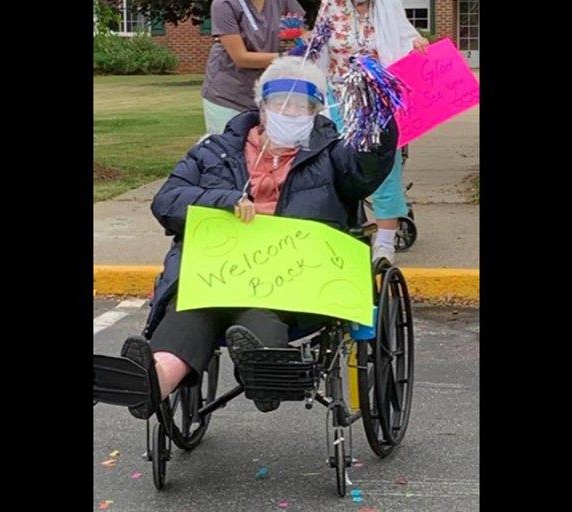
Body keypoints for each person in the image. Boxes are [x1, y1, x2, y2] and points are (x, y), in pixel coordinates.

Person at [118, 56, 399, 416]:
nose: (290, 112)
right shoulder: (215, 150)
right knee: (188, 317)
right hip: (213, 275)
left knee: (260, 315)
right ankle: (152, 382)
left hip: (291, 278)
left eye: (301, 106)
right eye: (281, 104)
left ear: (316, 111)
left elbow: (369, 164)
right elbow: (167, 201)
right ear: (262, 107)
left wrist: (380, 120)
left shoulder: (333, 155)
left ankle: (264, 373)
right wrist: (224, 201)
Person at [310, 0, 429, 263]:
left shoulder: (388, 6)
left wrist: (416, 43)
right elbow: (316, 50)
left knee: (386, 170)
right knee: (340, 168)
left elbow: (404, 37)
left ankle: (384, 245)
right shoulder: (331, 6)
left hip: (380, 104)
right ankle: (343, 232)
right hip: (340, 100)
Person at [201, 0, 306, 134]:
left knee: (269, 149)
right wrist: (288, 57)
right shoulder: (224, 4)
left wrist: (312, 45)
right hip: (228, 94)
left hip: (269, 94)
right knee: (230, 148)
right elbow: (241, 58)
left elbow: (302, 32)